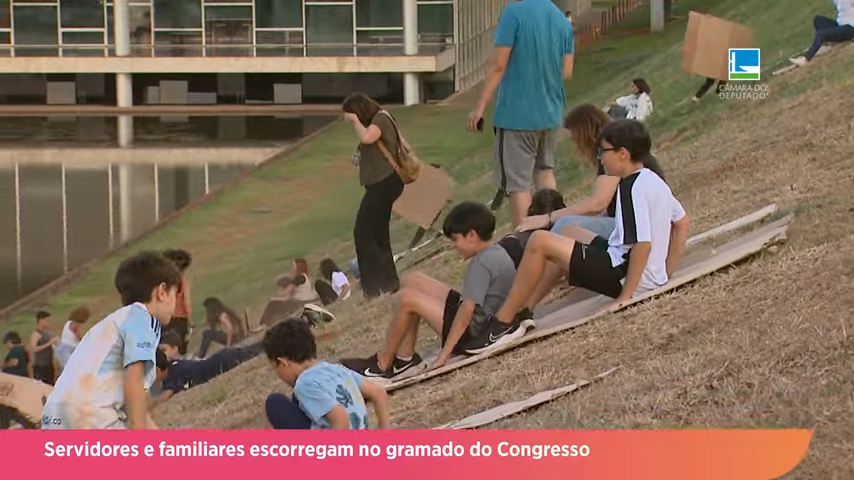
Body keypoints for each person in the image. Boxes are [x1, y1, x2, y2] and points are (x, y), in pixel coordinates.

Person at [463, 120, 691, 353]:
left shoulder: (630, 188)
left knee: (540, 240)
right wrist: (664, 273)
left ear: (623, 153)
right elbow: (682, 223)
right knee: (567, 232)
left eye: (604, 151)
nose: (600, 158)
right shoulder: (652, 180)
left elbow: (642, 244)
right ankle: (525, 310)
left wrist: (626, 296)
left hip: (623, 275)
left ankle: (503, 322)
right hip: (636, 270)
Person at [341, 201, 534, 378]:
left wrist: (444, 355)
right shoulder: (494, 251)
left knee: (408, 299)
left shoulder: (481, 263)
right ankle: (404, 359)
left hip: (475, 332)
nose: (452, 246)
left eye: (455, 239)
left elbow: (466, 313)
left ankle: (383, 364)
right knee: (414, 280)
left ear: (472, 235)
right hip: (482, 317)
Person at [41, 251, 181, 430]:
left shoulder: (110, 324)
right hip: (90, 415)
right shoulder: (144, 320)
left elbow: (135, 407)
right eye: (175, 294)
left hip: (55, 415)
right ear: (161, 292)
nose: (175, 303)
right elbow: (135, 383)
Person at [467, 0, 575, 227]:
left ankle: (524, 241)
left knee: (518, 184)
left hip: (516, 115)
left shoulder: (513, 14)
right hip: (550, 112)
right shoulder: (561, 20)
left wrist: (479, 108)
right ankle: (553, 229)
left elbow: (498, 65)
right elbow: (567, 71)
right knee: (545, 173)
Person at [263, 319, 390, 430]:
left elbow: (341, 420)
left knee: (275, 402)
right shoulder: (338, 369)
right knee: (297, 400)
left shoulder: (304, 383)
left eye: (275, 367)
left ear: (283, 362)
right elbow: (379, 393)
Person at [343, 92, 405, 298]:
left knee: (363, 233)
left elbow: (368, 137)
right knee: (378, 233)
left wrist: (355, 122)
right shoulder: (376, 121)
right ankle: (388, 282)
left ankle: (375, 285)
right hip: (382, 183)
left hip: (385, 182)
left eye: (349, 114)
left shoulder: (380, 118)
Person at [153, 332, 264, 404]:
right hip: (222, 358)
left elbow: (166, 395)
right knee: (257, 348)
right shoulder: (176, 365)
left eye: (164, 350)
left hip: (222, 361)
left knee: (259, 349)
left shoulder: (173, 369)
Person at [790, 0, 854, 66]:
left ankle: (806, 59)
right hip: (840, 25)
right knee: (818, 20)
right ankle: (827, 43)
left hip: (851, 27)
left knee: (822, 34)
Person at [161, 249, 194, 356]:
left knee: (164, 348)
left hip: (165, 318)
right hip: (180, 318)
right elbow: (187, 301)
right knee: (180, 349)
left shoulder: (163, 282)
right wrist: (190, 321)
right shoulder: (183, 280)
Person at [28, 311, 57, 385]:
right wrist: (49, 343)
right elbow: (34, 349)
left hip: (48, 364)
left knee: (50, 385)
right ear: (40, 320)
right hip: (40, 366)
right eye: (47, 320)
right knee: (41, 386)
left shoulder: (46, 332)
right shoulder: (36, 334)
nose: (48, 322)